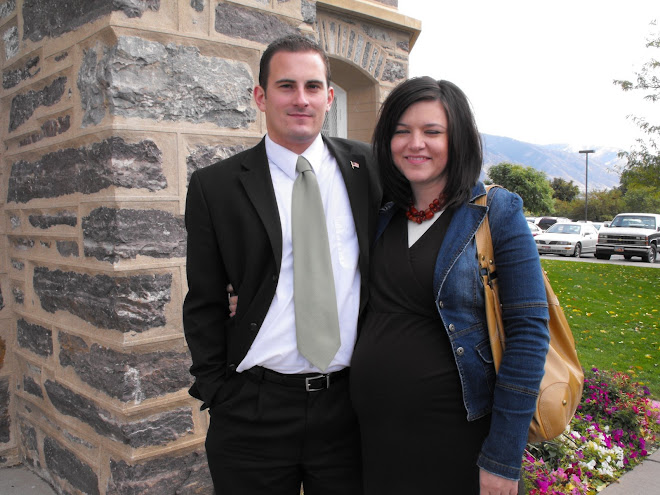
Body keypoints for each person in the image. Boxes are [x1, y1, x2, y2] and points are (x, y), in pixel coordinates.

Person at [183, 34, 380, 495]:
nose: (301, 99)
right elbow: (205, 300)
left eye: (313, 87)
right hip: (253, 410)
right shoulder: (216, 187)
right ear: (260, 96)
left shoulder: (369, 170)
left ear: (329, 97)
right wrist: (216, 389)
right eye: (286, 85)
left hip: (350, 408)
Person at [349, 77, 551, 495]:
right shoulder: (383, 214)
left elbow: (529, 335)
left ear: (457, 139)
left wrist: (503, 457)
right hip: (374, 436)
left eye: (432, 131)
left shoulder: (495, 211)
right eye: (401, 131)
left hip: (457, 440)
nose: (414, 143)